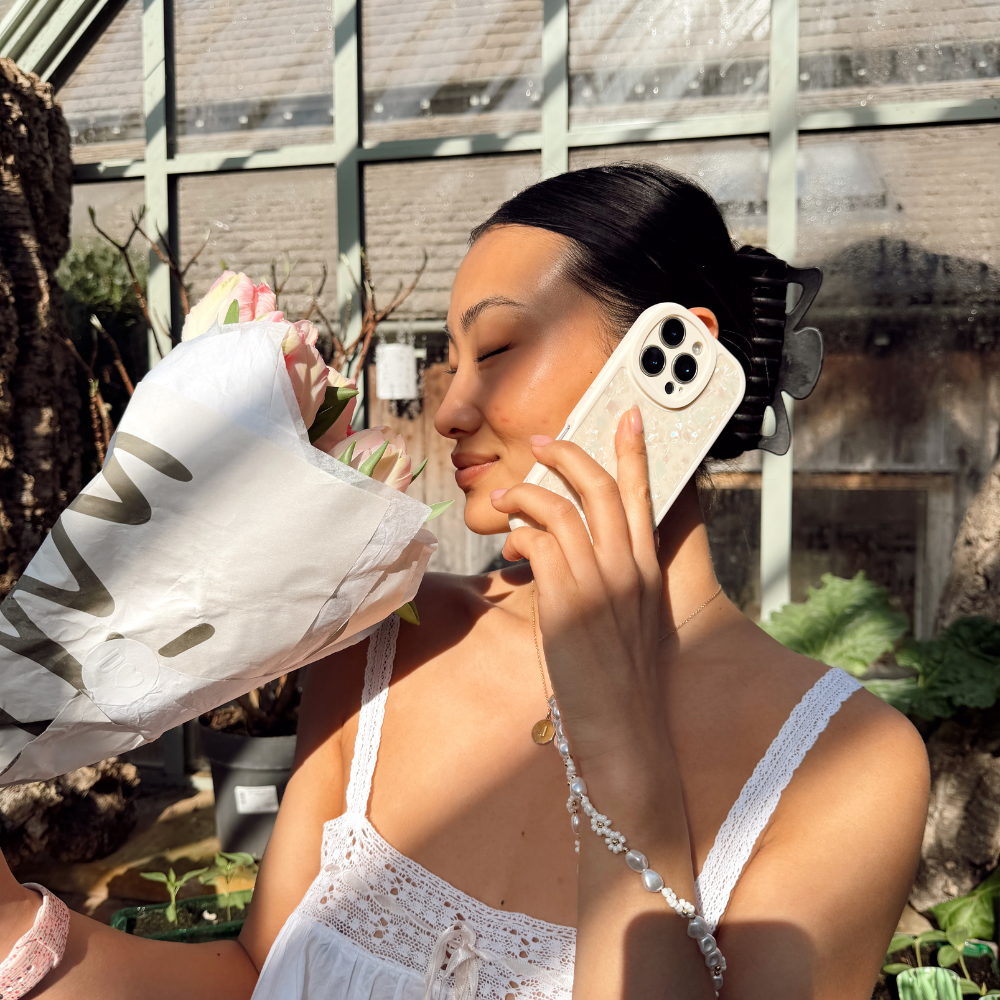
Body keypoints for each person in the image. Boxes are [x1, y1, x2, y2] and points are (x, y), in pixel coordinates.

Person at [0, 164, 929, 999]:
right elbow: (257, 974)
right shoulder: (388, 638)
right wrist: (14, 928)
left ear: (673, 363)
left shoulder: (848, 766)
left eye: (496, 350)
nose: (449, 408)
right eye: (450, 356)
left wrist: (619, 743)